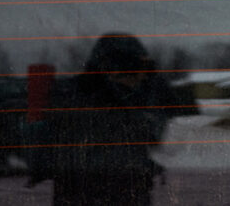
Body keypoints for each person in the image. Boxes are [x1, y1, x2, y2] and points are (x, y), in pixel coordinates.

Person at [32, 34, 187, 206]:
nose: (143, 76)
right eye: (139, 67)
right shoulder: (98, 103)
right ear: (115, 68)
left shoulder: (78, 95)